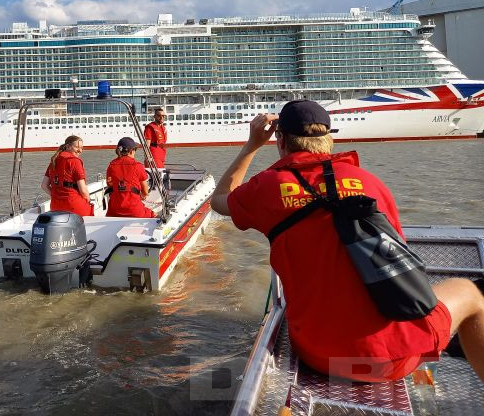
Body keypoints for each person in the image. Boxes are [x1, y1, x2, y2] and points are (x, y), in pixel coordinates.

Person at [210, 99, 484, 383]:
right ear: (329, 139)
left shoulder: (265, 187)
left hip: (321, 356)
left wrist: (252, 144)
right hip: (399, 356)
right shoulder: (369, 182)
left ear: (280, 141)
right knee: (470, 293)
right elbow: (398, 261)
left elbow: (219, 200)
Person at [41, 135, 93, 217]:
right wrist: (88, 200)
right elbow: (83, 190)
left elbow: (44, 186)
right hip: (74, 207)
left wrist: (55, 196)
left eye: (82, 148)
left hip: (56, 207)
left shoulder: (54, 161)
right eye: (77, 147)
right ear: (68, 146)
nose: (80, 150)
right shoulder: (75, 161)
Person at [105, 137, 155, 218]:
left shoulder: (111, 165)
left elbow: (110, 186)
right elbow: (145, 191)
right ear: (132, 151)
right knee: (154, 215)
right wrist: (143, 196)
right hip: (134, 210)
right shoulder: (138, 166)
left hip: (114, 210)